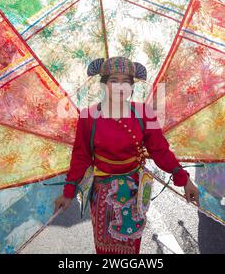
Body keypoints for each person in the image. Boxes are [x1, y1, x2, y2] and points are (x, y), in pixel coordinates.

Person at [53, 56, 200, 254]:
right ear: (103, 84)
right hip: (103, 194)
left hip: (133, 193)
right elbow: (81, 157)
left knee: (130, 248)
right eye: (113, 81)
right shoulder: (88, 116)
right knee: (105, 248)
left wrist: (185, 180)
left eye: (125, 82)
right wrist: (68, 192)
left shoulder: (144, 113)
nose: (119, 87)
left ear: (132, 87)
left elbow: (160, 150)